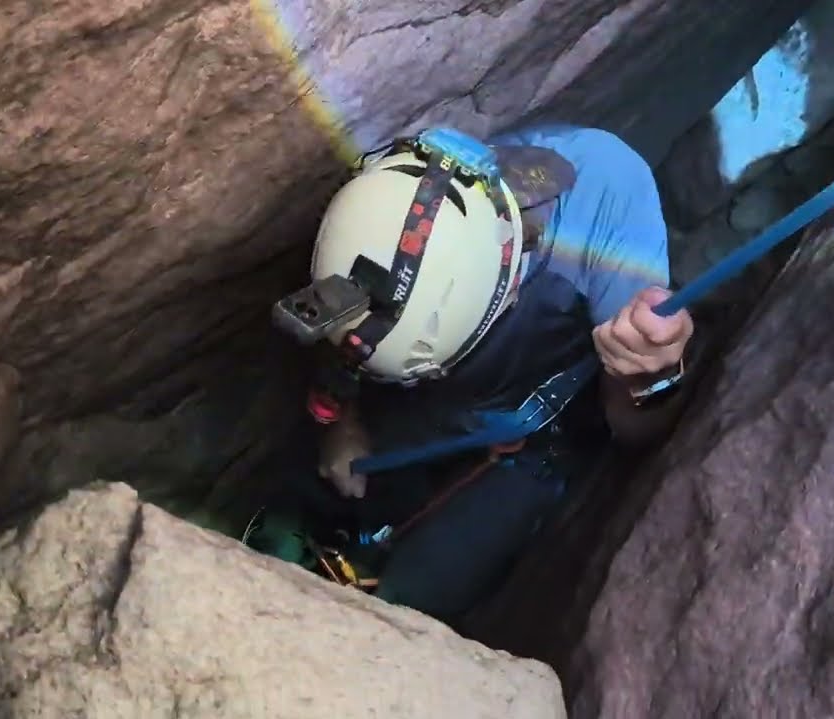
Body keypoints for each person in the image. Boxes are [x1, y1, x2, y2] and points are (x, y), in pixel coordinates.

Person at [261, 124, 693, 620]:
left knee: (410, 604)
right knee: (308, 487)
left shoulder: (603, 199)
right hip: (434, 409)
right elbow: (342, 332)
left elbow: (635, 429)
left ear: (505, 292)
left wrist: (648, 378)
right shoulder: (386, 201)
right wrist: (341, 424)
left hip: (536, 438)